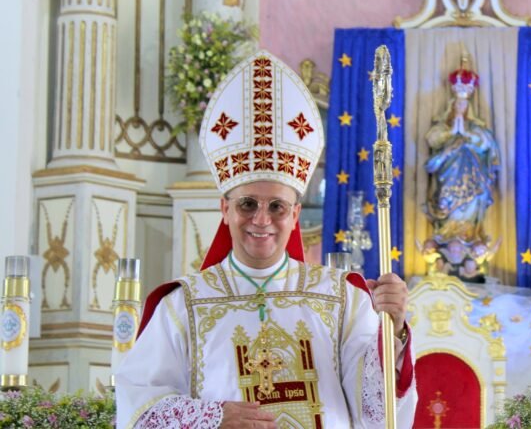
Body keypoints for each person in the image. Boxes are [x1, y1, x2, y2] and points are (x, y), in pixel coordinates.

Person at [116, 50, 417, 428]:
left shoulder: (343, 300)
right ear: (224, 210)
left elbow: (378, 412)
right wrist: (212, 418)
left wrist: (394, 330)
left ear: (294, 215)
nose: (261, 219)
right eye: (247, 204)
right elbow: (137, 409)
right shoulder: (183, 307)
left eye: (277, 206)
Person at [424, 60, 499, 244]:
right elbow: (432, 139)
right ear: (452, 106)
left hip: (473, 177)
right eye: (457, 106)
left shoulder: (477, 129)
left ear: (469, 109)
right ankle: (447, 237)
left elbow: (487, 145)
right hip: (449, 177)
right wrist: (451, 134)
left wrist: (466, 135)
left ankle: (470, 237)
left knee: (471, 205)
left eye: (464, 106)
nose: (460, 109)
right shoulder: (443, 128)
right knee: (447, 204)